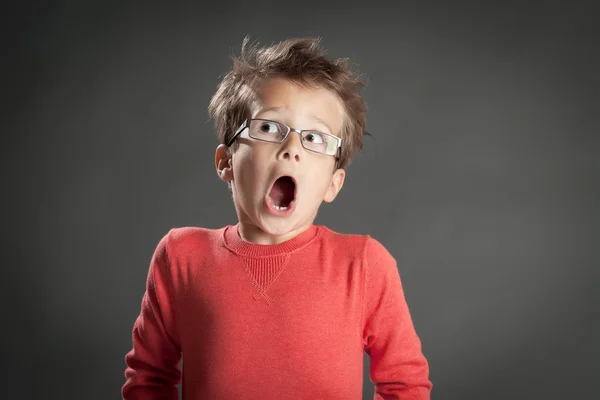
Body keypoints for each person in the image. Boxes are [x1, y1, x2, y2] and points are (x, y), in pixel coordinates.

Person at [122, 36, 433, 400]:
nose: (291, 150)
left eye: (315, 138)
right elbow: (148, 379)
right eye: (269, 128)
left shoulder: (364, 265)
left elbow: (404, 386)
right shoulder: (181, 256)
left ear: (333, 183)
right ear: (226, 162)